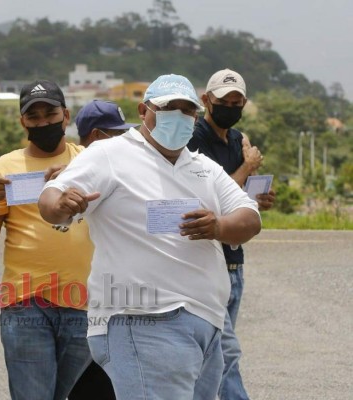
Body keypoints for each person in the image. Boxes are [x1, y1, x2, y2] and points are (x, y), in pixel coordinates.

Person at [38, 74, 262, 400]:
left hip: (207, 322)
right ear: (144, 111)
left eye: (188, 111)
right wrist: (60, 205)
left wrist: (219, 228)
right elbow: (51, 197)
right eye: (169, 108)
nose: (180, 117)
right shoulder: (110, 154)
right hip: (143, 319)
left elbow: (250, 216)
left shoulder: (203, 166)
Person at [0, 80, 93, 400]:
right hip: (26, 303)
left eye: (50, 113)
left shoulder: (87, 162)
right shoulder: (4, 169)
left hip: (84, 303)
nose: (43, 122)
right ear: (23, 122)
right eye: (33, 116)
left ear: (66, 115)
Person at [187, 68, 275, 400]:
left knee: (214, 356)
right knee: (226, 354)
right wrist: (247, 168)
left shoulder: (238, 140)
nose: (231, 107)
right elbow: (212, 195)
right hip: (207, 263)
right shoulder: (195, 139)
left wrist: (258, 198)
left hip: (234, 262)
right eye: (225, 101)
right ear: (207, 101)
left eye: (237, 102)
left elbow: (237, 199)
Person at [68, 100, 136, 400]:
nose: (126, 142)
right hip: (84, 305)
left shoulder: (123, 175)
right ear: (97, 137)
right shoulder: (77, 180)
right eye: (117, 134)